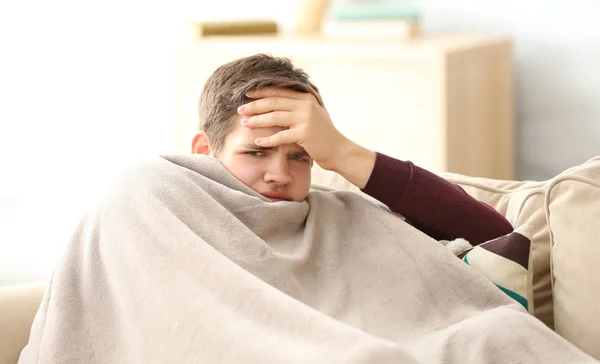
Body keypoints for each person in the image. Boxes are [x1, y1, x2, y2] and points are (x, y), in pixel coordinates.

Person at [192, 54, 512, 245]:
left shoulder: (337, 221)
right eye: (255, 152)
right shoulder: (175, 207)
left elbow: (495, 235)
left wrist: (343, 153)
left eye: (299, 156)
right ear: (203, 150)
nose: (279, 175)